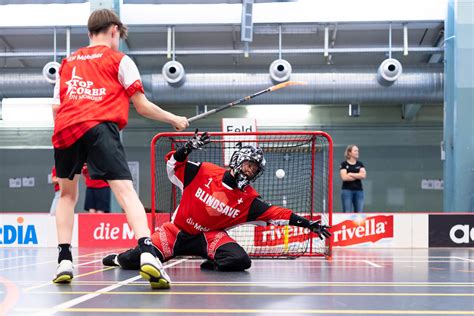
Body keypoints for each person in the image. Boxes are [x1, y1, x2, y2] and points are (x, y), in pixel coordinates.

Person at [51, 9, 188, 287]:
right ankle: (148, 252)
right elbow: (141, 105)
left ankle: (64, 259)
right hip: (100, 127)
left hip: (66, 128)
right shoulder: (120, 60)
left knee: (67, 196)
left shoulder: (67, 64)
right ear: (114, 30)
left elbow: (56, 107)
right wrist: (174, 118)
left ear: (89, 32)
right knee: (126, 192)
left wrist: (74, 145)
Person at [102, 130, 331, 288]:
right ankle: (117, 258)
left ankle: (210, 260)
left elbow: (278, 214)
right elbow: (173, 164)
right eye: (249, 165)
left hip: (209, 238)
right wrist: (187, 148)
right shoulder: (203, 171)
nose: (250, 171)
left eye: (255, 170)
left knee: (240, 261)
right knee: (138, 258)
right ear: (238, 160)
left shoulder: (249, 200)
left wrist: (308, 224)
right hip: (176, 231)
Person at [339, 144, 366, 213]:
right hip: (347, 191)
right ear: (349, 152)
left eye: (358, 151)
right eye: (355, 151)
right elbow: (344, 177)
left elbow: (363, 176)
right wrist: (357, 175)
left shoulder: (360, 164)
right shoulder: (344, 164)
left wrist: (351, 174)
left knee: (359, 212)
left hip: (359, 191)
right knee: (347, 211)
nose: (357, 152)